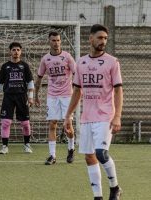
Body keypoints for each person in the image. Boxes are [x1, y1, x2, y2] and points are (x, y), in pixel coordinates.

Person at [63, 24, 123, 200]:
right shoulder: (81, 62)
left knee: (101, 153)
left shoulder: (112, 62)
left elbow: (119, 90)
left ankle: (115, 187)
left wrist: (118, 116)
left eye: (105, 38)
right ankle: (98, 196)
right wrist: (68, 116)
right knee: (89, 157)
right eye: (99, 38)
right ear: (90, 38)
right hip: (86, 117)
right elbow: (77, 91)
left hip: (105, 115)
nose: (103, 41)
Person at [35, 31, 76, 165]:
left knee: (67, 126)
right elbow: (39, 78)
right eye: (53, 40)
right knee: (52, 123)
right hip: (52, 95)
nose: (56, 43)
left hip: (67, 96)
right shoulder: (45, 59)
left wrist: (78, 92)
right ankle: (52, 155)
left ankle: (71, 148)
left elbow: (77, 74)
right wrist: (35, 95)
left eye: (58, 40)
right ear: (49, 42)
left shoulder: (68, 57)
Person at [0, 42, 34, 154]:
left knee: (25, 123)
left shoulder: (24, 66)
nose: (16, 52)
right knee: (5, 122)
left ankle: (27, 145)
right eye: (14, 50)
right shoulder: (5, 66)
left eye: (18, 50)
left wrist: (30, 97)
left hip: (22, 96)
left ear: (21, 51)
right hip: (8, 97)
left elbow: (30, 82)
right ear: (10, 51)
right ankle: (5, 146)